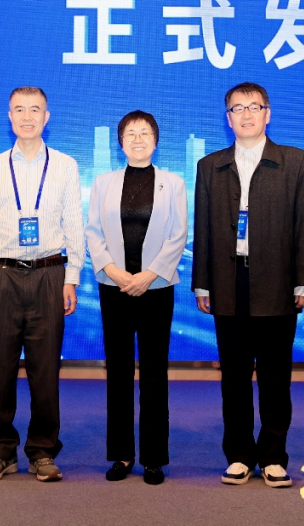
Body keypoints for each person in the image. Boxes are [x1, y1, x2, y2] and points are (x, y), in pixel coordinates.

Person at [192, 82, 304, 488]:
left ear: (268, 113)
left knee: (275, 375)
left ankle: (274, 456)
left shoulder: (295, 161)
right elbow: (203, 228)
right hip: (228, 280)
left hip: (278, 281)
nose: (246, 114)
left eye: (254, 107)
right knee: (233, 376)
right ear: (227, 118)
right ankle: (239, 455)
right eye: (237, 108)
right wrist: (202, 283)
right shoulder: (210, 166)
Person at [0, 87, 84, 482]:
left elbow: (74, 223)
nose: (27, 116)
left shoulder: (65, 166)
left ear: (46, 117)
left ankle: (43, 451)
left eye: (35, 110)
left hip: (50, 274)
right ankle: (0, 450)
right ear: (9, 116)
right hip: (1, 274)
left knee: (45, 369)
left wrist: (72, 276)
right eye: (19, 109)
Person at [85, 110, 188, 485]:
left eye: (145, 133)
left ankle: (154, 457)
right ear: (120, 142)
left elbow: (178, 235)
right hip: (114, 288)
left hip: (156, 289)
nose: (138, 139)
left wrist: (149, 275)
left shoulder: (173, 183)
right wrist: (114, 272)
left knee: (155, 373)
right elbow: (93, 232)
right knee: (118, 371)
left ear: (156, 141)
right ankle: (122, 454)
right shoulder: (103, 183)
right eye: (130, 133)